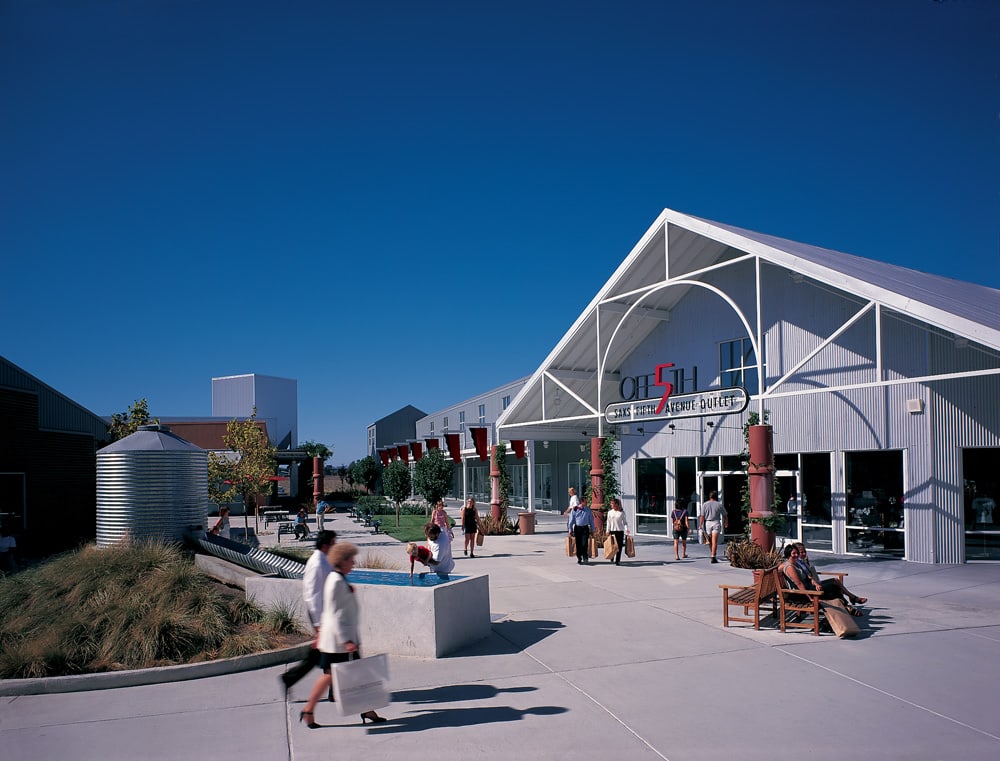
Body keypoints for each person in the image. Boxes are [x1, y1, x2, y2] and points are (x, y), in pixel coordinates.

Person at [301, 542, 387, 727]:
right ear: (342, 561)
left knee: (348, 674)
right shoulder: (337, 581)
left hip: (337, 639)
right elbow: (336, 613)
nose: (354, 563)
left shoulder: (336, 579)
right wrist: (346, 640)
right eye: (351, 559)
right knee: (332, 676)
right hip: (338, 641)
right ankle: (308, 710)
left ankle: (365, 709)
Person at [281, 530, 337, 694]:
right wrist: (319, 624)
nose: (335, 546)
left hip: (326, 615)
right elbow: (312, 595)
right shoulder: (317, 563)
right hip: (321, 616)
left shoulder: (323, 559)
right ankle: (290, 678)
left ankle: (334, 689)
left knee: (326, 653)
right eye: (333, 543)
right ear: (326, 545)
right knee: (324, 653)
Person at [794, 542, 867, 612]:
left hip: (814, 584)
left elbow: (809, 575)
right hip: (809, 588)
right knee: (834, 587)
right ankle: (849, 602)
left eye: (805, 551)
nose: (804, 554)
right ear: (796, 553)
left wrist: (807, 563)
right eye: (801, 552)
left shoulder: (802, 561)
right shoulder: (796, 564)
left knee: (835, 582)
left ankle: (849, 602)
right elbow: (805, 578)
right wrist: (815, 585)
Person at [567, 490, 595, 565]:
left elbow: (591, 520)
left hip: (585, 528)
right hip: (578, 528)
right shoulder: (575, 510)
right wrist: (570, 529)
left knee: (584, 543)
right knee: (578, 544)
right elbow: (571, 520)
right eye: (585, 502)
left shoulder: (588, 510)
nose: (587, 503)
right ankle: (579, 557)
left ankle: (585, 557)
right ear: (581, 502)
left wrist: (592, 530)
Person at [699, 491, 727, 563]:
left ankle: (713, 554)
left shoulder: (705, 504)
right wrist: (726, 523)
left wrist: (700, 525)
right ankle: (713, 555)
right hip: (716, 522)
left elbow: (702, 516)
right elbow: (725, 515)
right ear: (716, 497)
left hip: (708, 522)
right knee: (714, 541)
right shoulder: (719, 505)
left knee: (710, 540)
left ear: (710, 496)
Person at [604, 497, 630, 566]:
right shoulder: (610, 512)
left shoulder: (621, 512)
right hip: (612, 531)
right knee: (613, 546)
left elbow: (625, 522)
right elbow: (608, 522)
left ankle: (617, 560)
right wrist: (607, 530)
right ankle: (612, 556)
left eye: (612, 504)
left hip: (620, 531)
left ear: (616, 504)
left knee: (619, 546)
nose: (611, 505)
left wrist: (626, 529)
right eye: (611, 504)